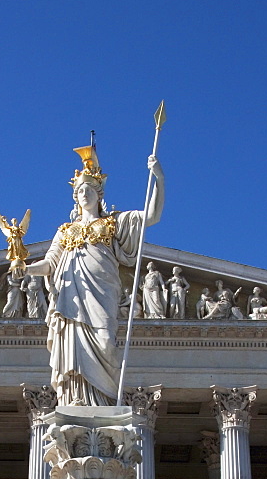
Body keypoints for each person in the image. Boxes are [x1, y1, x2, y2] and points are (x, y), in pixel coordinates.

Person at [23, 142, 164, 406]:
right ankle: (76, 399)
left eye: (88, 189)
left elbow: (152, 216)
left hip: (102, 294)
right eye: (79, 191)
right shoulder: (65, 231)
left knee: (106, 343)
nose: (83, 194)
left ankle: (104, 405)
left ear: (99, 194)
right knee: (73, 349)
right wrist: (25, 268)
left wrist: (158, 177)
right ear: (74, 198)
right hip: (72, 300)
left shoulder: (113, 223)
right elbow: (50, 263)